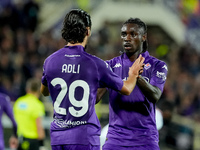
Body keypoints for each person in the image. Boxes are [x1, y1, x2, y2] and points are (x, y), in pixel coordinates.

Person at [40, 9, 144, 150]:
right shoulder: (95, 65)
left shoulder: (50, 61)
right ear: (87, 31)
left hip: (58, 137)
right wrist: (133, 73)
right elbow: (127, 89)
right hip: (84, 137)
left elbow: (45, 92)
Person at [96, 18, 168, 150]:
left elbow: (156, 95)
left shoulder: (157, 65)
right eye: (124, 34)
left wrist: (136, 77)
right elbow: (95, 98)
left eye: (133, 34)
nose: (127, 38)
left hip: (145, 140)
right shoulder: (109, 66)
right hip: (116, 140)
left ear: (143, 37)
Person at [13, 78, 45, 150]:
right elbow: (39, 126)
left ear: (27, 89)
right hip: (32, 141)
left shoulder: (19, 102)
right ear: (39, 90)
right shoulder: (37, 105)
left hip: (19, 139)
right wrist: (42, 143)